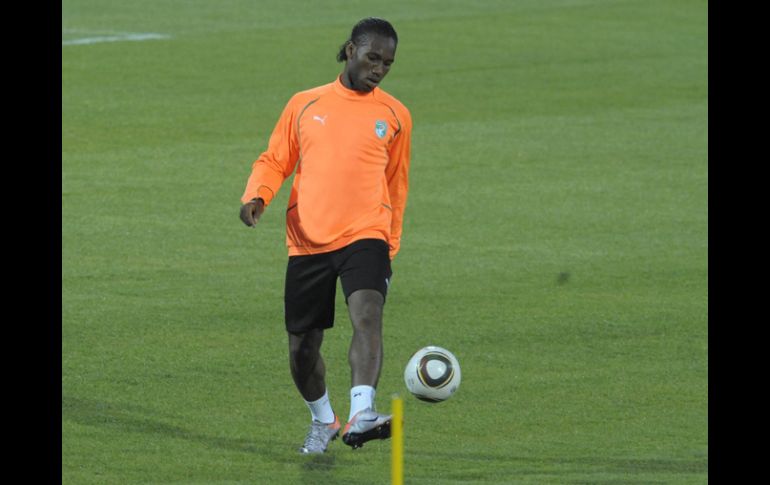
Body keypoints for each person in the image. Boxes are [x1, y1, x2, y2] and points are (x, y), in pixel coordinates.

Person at [239, 17, 411, 454]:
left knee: (368, 314)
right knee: (302, 348)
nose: (379, 69)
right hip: (309, 238)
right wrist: (258, 195)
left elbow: (396, 184)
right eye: (373, 57)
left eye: (388, 63)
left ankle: (362, 413)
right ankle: (324, 419)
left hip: (366, 234)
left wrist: (389, 242)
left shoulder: (395, 115)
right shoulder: (304, 103)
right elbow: (276, 159)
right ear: (351, 50)